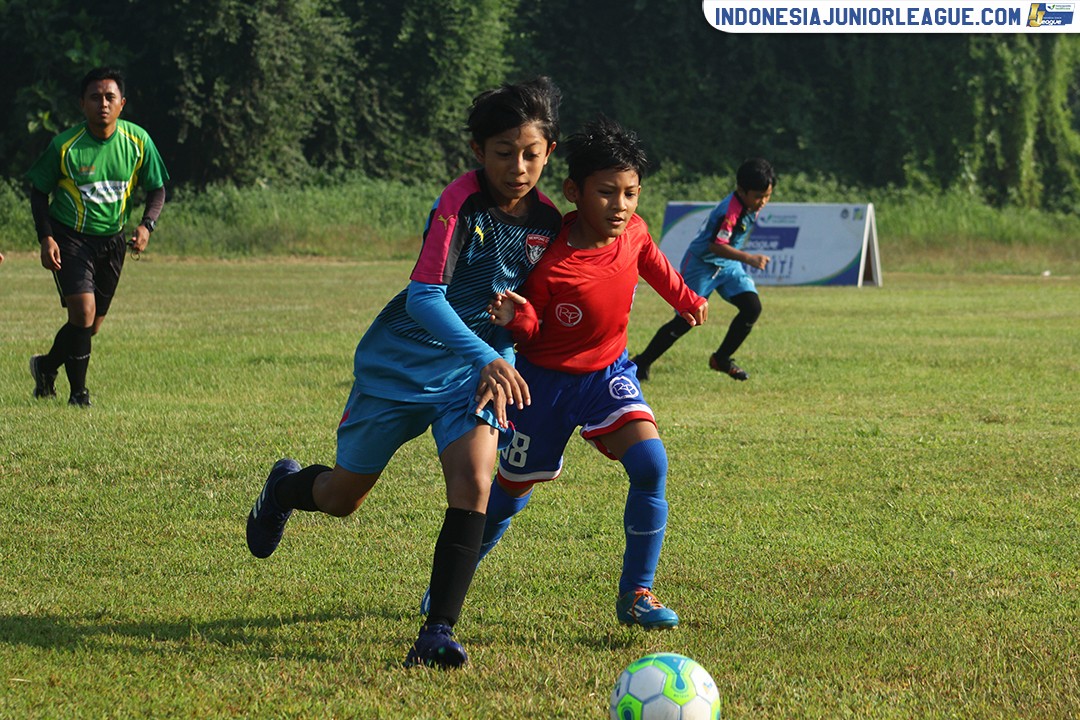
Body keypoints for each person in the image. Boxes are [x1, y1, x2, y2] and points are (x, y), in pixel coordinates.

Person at [244, 77, 564, 669]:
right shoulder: (458, 203)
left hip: (473, 375)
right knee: (342, 497)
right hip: (399, 365)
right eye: (503, 153)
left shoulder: (548, 223)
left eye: (531, 154)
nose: (518, 167)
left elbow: (525, 317)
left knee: (475, 485)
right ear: (477, 151)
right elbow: (423, 297)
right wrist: (489, 356)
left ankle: (436, 631)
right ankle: (283, 487)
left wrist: (509, 348)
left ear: (548, 152)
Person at [439, 116, 707, 630]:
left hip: (607, 372)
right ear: (573, 192)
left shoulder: (634, 230)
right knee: (508, 496)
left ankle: (636, 596)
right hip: (541, 387)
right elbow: (533, 326)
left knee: (651, 464)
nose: (622, 206)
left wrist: (686, 298)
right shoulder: (549, 259)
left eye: (631, 193)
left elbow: (651, 259)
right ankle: (453, 578)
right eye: (607, 193)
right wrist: (518, 318)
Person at [26, 67, 169, 407]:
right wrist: (47, 239)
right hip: (70, 237)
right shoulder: (65, 146)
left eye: (109, 97)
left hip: (112, 242)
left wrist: (146, 225)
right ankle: (79, 395)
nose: (102, 104)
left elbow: (157, 189)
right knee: (83, 313)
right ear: (82, 104)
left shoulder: (138, 141)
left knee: (89, 327)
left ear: (122, 103)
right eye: (95, 97)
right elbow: (37, 193)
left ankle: (45, 366)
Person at [632, 158, 775, 382]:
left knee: (751, 307)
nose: (763, 202)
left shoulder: (750, 205)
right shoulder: (730, 212)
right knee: (686, 319)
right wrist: (749, 258)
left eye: (767, 196)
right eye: (758, 196)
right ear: (741, 190)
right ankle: (641, 362)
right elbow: (715, 245)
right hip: (702, 264)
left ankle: (722, 358)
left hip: (727, 265)